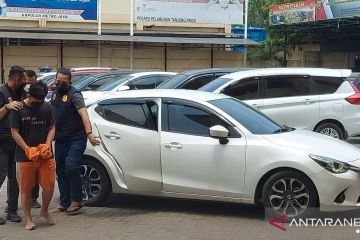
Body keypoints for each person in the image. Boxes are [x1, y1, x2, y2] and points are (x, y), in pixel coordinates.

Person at [51, 68, 100, 215]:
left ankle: (77, 201)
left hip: (76, 138)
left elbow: (84, 113)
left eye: (63, 82)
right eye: (58, 81)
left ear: (70, 82)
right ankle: (64, 202)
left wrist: (89, 133)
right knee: (60, 170)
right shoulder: (54, 94)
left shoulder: (75, 95)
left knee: (71, 166)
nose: (60, 84)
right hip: (60, 138)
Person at [10, 81, 56, 230]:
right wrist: (26, 148)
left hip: (45, 155)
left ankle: (44, 211)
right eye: (36, 101)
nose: (38, 104)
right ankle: (28, 218)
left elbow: (52, 128)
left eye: (41, 101)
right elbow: (14, 132)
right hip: (25, 157)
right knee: (26, 189)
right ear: (29, 95)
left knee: (49, 186)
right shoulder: (18, 109)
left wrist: (48, 143)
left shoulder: (47, 107)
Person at [0, 66, 26, 225]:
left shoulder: (21, 93)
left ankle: (12, 211)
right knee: (0, 176)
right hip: (1, 142)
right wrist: (6, 107)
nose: (25, 82)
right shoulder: (2, 92)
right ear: (17, 79)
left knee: (14, 178)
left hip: (15, 141)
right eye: (23, 80)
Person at [24, 70, 41, 209]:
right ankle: (20, 200)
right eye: (27, 82)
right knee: (23, 176)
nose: (28, 84)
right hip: (25, 141)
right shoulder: (22, 95)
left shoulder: (40, 93)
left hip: (38, 141)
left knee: (37, 174)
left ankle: (34, 198)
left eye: (31, 81)